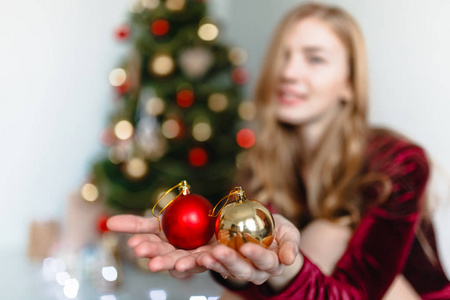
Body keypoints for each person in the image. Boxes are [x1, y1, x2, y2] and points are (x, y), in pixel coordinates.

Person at [107, 3, 450, 299]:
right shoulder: (264, 162)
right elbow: (258, 282)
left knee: (325, 234)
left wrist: (289, 267)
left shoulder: (399, 161)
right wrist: (223, 257)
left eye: (314, 58)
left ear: (349, 83)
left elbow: (353, 294)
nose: (288, 72)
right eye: (283, 55)